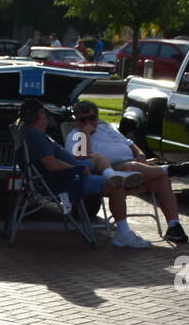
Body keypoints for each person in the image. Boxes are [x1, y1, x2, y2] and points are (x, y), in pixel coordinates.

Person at [17, 99, 150, 249]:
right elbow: (51, 164)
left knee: (98, 157)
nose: (48, 118)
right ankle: (124, 235)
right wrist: (77, 169)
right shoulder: (37, 137)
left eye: (92, 118)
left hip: (66, 174)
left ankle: (111, 174)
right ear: (40, 115)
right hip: (66, 179)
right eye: (46, 114)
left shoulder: (29, 133)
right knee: (116, 186)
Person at [66, 99, 189, 243]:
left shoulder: (107, 128)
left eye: (92, 118)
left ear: (98, 116)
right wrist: (86, 134)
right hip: (109, 172)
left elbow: (130, 144)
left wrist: (140, 155)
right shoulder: (76, 135)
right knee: (128, 168)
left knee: (162, 180)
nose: (88, 122)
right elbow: (84, 158)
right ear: (76, 120)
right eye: (83, 120)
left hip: (135, 168)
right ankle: (166, 169)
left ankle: (174, 227)